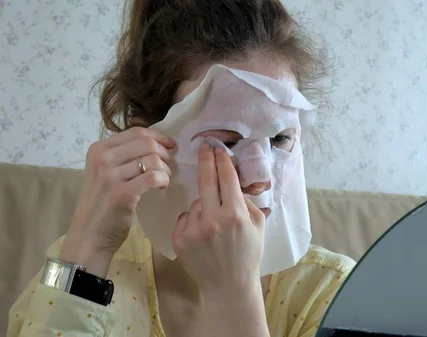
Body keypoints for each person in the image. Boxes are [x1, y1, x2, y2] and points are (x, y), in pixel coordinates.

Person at [7, 1, 355, 336]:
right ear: (148, 139)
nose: (259, 176)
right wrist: (89, 246)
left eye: (280, 139)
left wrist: (234, 293)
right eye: (225, 141)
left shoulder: (333, 293)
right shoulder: (97, 268)